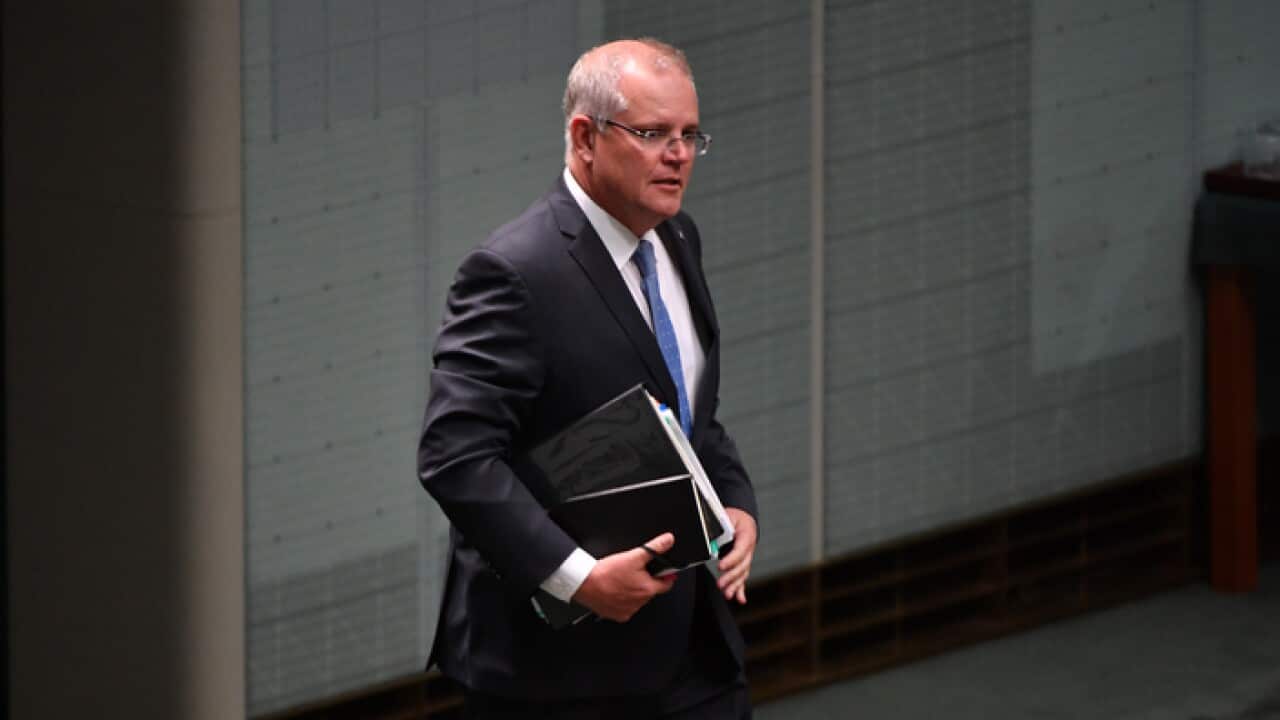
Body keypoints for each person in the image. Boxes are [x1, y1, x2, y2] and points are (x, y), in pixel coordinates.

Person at [418, 37, 759, 719]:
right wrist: (578, 577)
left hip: (692, 647)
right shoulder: (516, 272)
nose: (679, 154)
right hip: (558, 672)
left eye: (690, 134)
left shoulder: (678, 239)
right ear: (585, 137)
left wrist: (736, 501)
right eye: (653, 133)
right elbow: (454, 456)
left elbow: (691, 410)